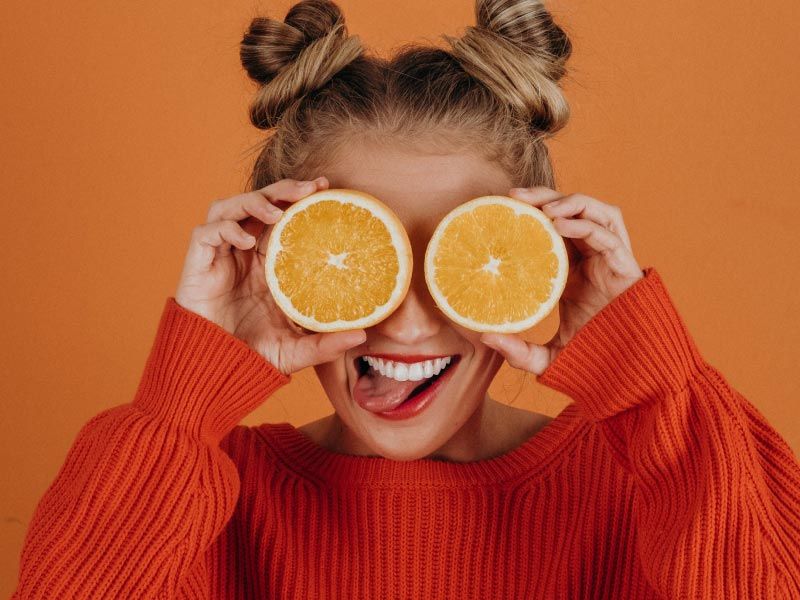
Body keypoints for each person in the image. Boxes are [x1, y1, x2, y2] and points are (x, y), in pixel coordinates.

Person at [13, 0, 800, 597]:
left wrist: (656, 388)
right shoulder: (199, 505)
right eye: (361, 259)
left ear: (542, 257)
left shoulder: (654, 487)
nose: (409, 322)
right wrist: (181, 404)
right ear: (277, 260)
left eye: (456, 257)